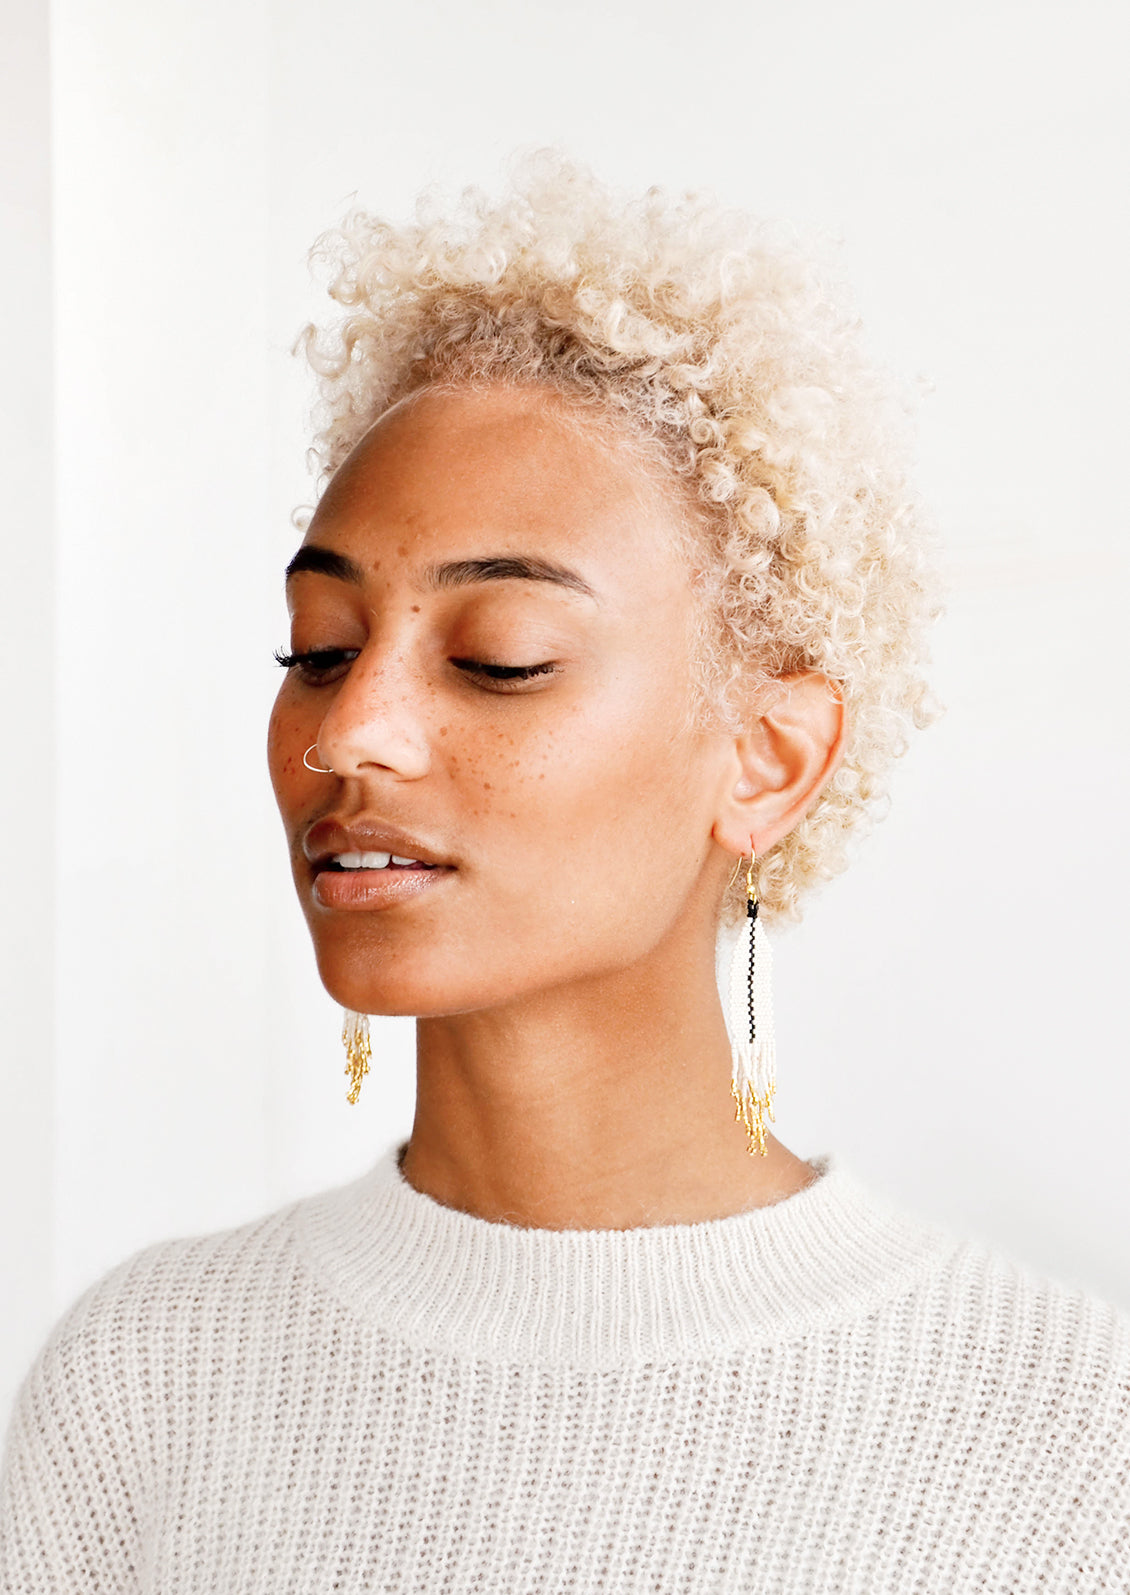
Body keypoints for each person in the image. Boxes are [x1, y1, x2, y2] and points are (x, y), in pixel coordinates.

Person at [1, 156, 1127, 1593]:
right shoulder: (147, 1386)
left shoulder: (1070, 1438)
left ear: (768, 759)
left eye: (497, 660)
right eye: (320, 647)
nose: (353, 732)